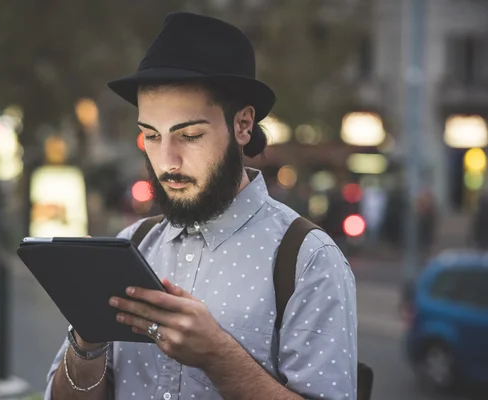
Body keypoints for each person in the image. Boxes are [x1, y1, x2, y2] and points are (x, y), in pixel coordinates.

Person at [45, 12, 357, 400]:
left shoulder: (308, 259)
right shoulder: (132, 244)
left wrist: (217, 355)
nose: (167, 161)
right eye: (150, 136)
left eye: (189, 135)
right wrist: (87, 339)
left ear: (243, 125)